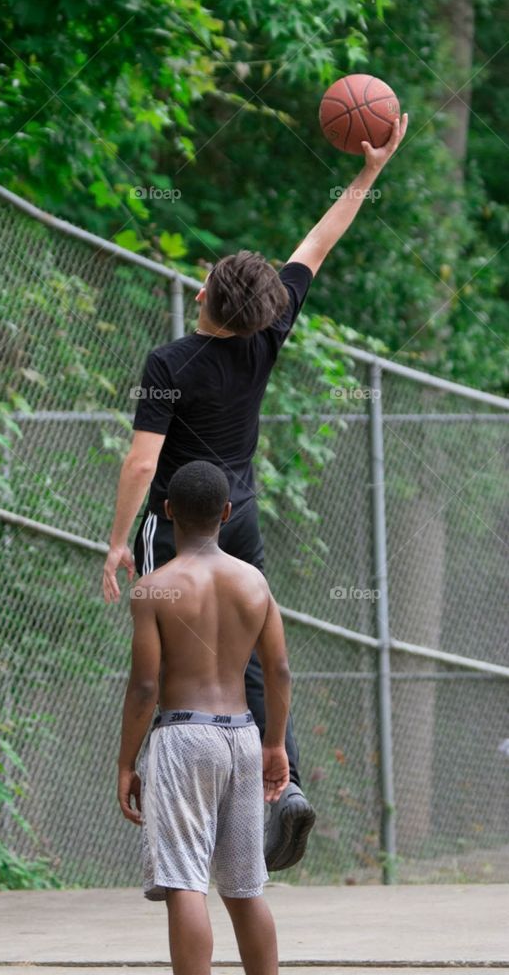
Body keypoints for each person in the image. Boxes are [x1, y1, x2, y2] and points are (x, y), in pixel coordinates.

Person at [104, 112, 408, 869]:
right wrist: (367, 173)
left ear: (204, 294)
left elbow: (142, 467)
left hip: (176, 523)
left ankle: (182, 808)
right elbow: (318, 241)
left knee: (167, 665)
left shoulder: (169, 362)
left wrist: (116, 541)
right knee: (249, 659)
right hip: (236, 523)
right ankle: (286, 782)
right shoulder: (266, 338)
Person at [117, 460, 291, 975]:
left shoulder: (154, 590)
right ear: (227, 513)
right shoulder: (254, 584)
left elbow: (146, 685)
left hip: (184, 737)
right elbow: (278, 670)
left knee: (184, 882)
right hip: (241, 735)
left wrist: (128, 762)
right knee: (245, 886)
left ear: (168, 512)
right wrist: (275, 744)